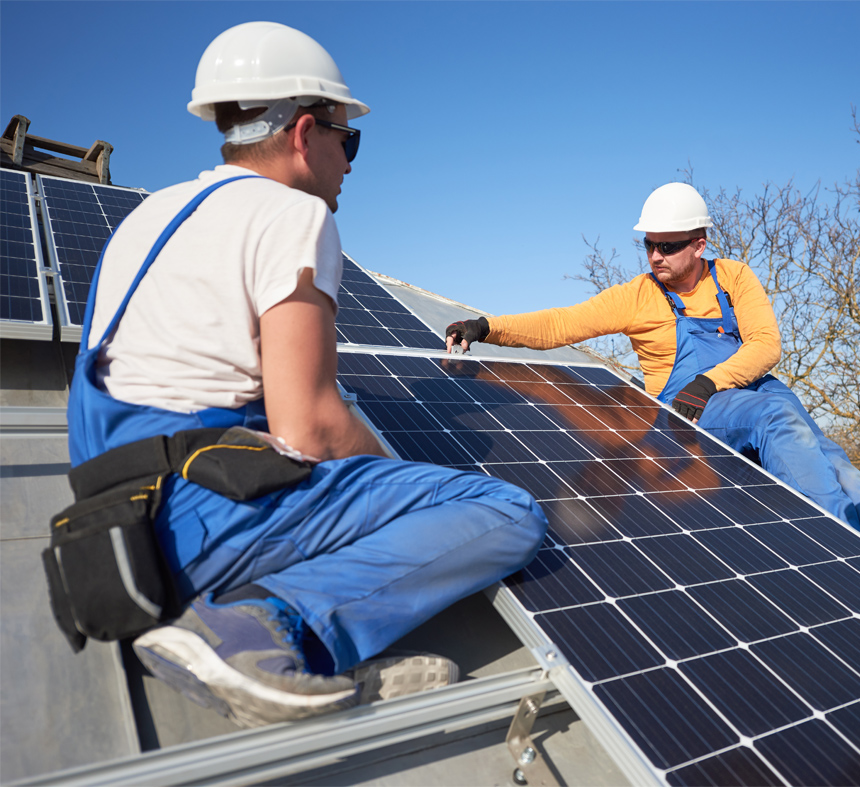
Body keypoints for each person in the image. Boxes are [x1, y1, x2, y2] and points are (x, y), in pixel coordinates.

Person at [67, 22, 547, 728]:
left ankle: (290, 640)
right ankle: (253, 626)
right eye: (346, 139)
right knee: (507, 512)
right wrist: (401, 495)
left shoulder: (147, 215)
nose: (350, 162)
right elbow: (312, 427)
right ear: (302, 131)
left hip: (111, 537)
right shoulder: (291, 213)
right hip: (196, 525)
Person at [445, 182, 860, 570]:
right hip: (686, 411)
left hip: (749, 392)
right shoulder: (638, 296)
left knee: (841, 468)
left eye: (668, 246)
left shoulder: (734, 277)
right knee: (777, 421)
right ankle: (842, 551)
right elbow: (561, 323)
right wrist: (487, 326)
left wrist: (712, 379)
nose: (656, 256)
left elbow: (766, 345)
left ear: (699, 244)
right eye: (649, 245)